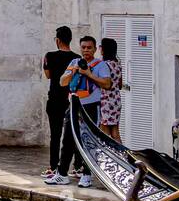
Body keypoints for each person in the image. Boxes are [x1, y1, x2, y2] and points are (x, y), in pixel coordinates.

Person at [46, 36, 112, 188]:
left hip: (91, 107)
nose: (86, 50)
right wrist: (72, 72)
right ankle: (62, 174)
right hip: (74, 105)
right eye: (83, 47)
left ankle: (87, 175)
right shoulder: (74, 62)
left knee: (88, 141)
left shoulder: (101, 65)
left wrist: (89, 74)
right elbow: (62, 82)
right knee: (67, 139)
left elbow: (107, 84)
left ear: (95, 49)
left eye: (89, 47)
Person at [41, 25, 77, 179]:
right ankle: (77, 166)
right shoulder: (77, 58)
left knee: (55, 135)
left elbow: (48, 75)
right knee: (73, 135)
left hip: (55, 99)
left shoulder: (49, 56)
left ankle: (53, 166)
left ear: (57, 40)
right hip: (71, 100)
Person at [99, 38, 124, 143]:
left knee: (103, 133)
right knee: (115, 133)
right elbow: (120, 85)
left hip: (106, 100)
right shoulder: (117, 64)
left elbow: (104, 84)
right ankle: (123, 155)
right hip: (116, 100)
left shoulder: (104, 65)